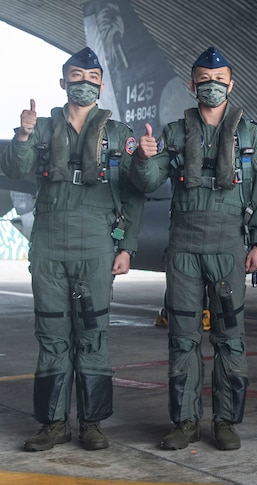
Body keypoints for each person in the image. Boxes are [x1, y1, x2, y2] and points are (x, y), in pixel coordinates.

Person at [1, 47, 145, 451]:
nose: (84, 82)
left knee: (93, 336)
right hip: (49, 245)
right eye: (76, 76)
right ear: (63, 82)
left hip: (97, 244)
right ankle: (52, 424)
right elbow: (14, 169)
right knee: (51, 336)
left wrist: (127, 247)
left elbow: (135, 195)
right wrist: (24, 133)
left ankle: (93, 424)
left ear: (101, 84)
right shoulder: (43, 128)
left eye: (92, 76)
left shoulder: (119, 135)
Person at [132, 47, 257, 451]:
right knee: (183, 337)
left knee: (230, 337)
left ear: (232, 84)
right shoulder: (175, 133)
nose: (211, 86)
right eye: (203, 80)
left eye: (219, 79)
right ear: (192, 85)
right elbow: (147, 180)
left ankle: (226, 422)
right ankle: (185, 421)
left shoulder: (249, 133)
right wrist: (143, 158)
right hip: (184, 249)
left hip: (229, 246)